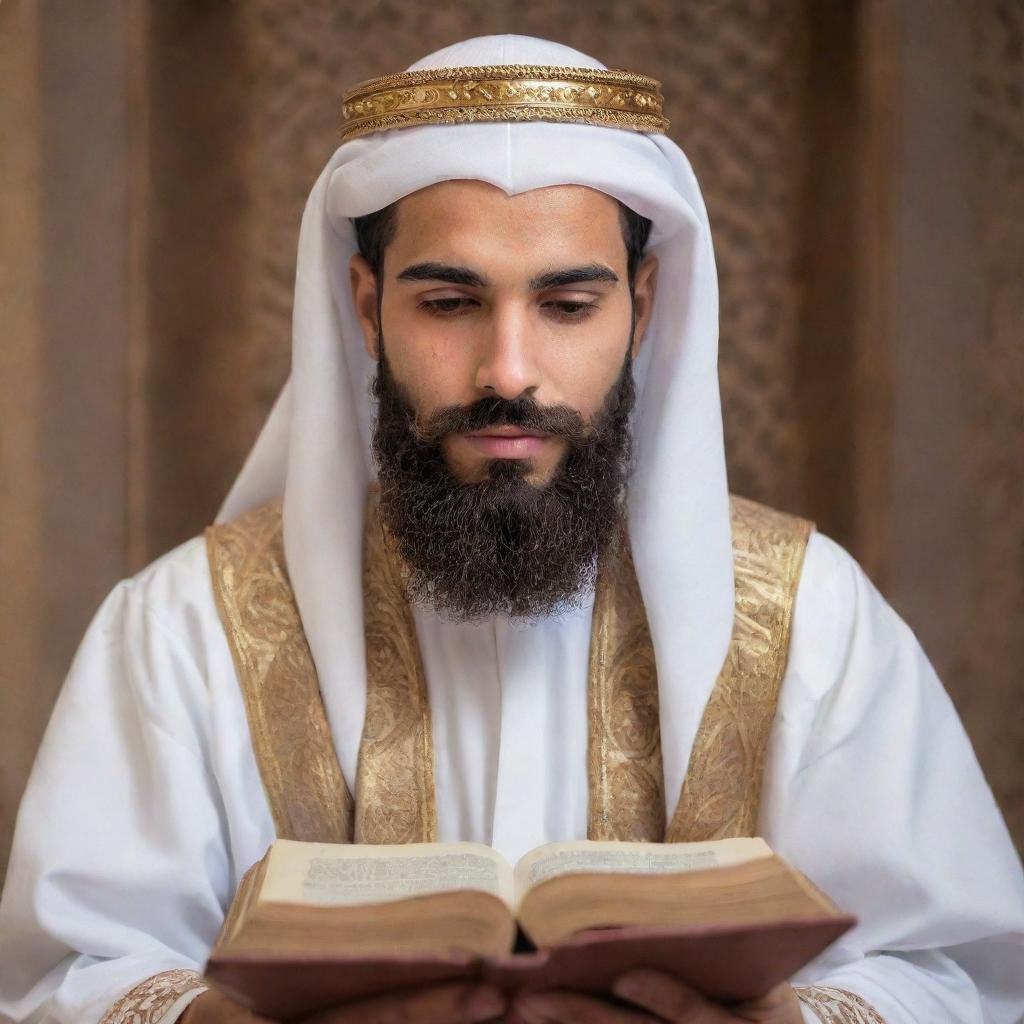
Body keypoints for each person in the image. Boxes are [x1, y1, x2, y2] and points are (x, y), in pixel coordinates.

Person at [1, 33, 1022, 1024]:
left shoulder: (812, 617)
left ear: (644, 301)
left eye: (568, 305)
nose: (507, 371)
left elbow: (963, 973)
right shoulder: (185, 628)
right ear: (366, 308)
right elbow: (64, 973)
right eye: (449, 302)